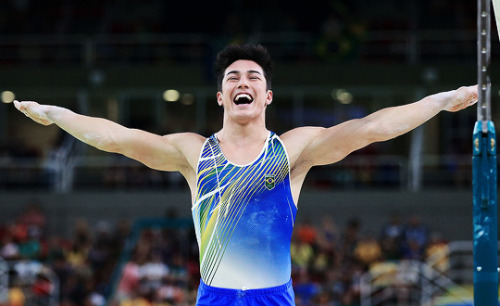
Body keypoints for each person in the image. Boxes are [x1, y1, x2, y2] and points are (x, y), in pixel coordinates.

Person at [14, 44, 477, 305]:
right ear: (220, 97)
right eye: (233, 77)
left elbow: (371, 128)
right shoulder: (194, 154)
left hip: (274, 298)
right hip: (214, 299)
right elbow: (114, 137)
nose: (243, 82)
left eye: (254, 77)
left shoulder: (292, 150)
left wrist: (437, 102)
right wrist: (57, 114)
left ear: (267, 96)